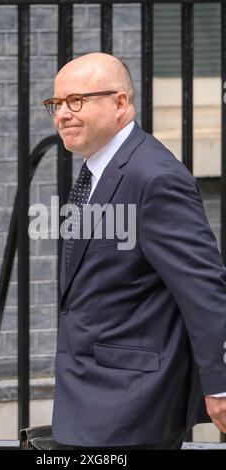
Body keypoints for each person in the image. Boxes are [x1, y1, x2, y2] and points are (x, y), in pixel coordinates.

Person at [40, 52, 226, 450]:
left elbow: (204, 288)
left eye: (76, 101)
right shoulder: (94, 170)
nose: (62, 114)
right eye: (56, 104)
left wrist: (221, 385)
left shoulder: (155, 177)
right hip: (91, 397)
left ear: (120, 104)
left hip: (132, 403)